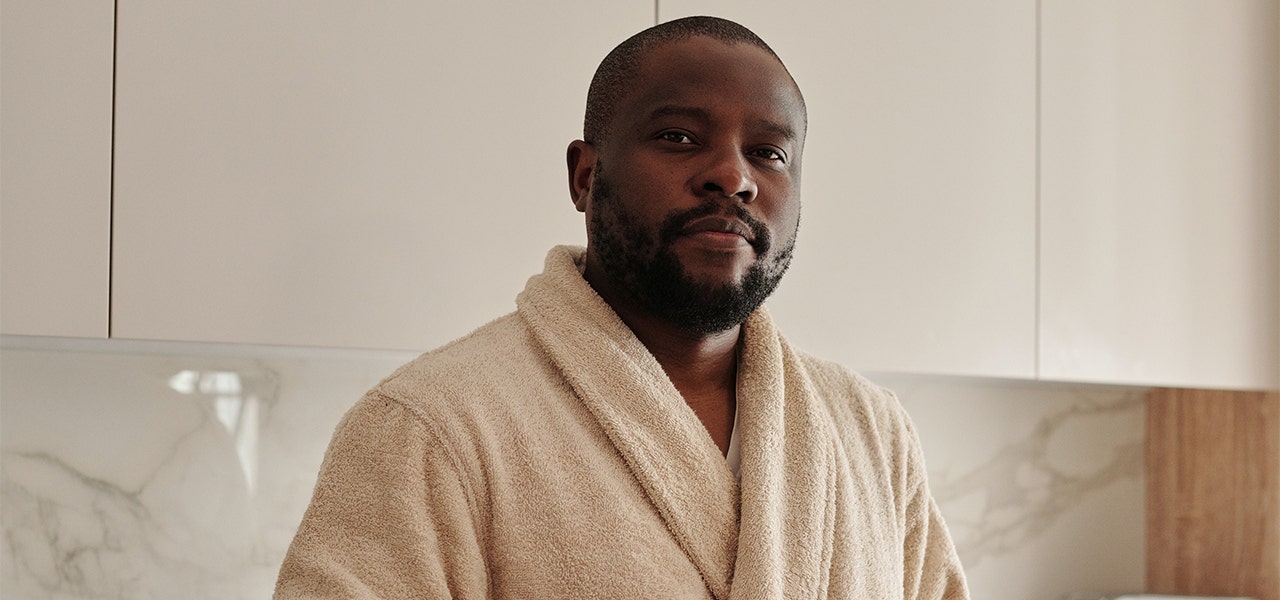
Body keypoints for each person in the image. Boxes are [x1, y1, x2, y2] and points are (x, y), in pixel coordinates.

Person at [274, 16, 968, 599]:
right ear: (585, 174)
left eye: (767, 153)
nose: (733, 176)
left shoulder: (874, 434)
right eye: (679, 137)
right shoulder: (429, 427)